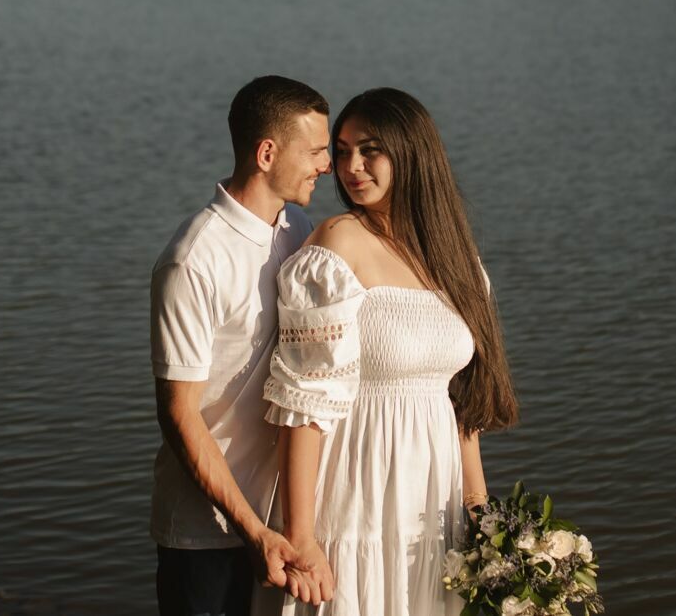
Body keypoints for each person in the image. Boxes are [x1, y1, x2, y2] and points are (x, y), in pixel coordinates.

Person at [262, 88, 520, 616]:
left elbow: (461, 403)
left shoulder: (458, 260)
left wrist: (479, 509)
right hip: (360, 488)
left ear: (412, 153)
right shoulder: (337, 246)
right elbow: (302, 409)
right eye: (340, 151)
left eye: (370, 150)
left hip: (436, 494)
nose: (351, 166)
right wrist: (302, 536)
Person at [151, 75, 332, 616]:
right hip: (207, 532)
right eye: (317, 151)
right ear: (267, 152)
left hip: (282, 521)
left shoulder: (297, 228)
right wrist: (251, 530)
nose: (326, 165)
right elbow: (180, 416)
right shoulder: (193, 260)